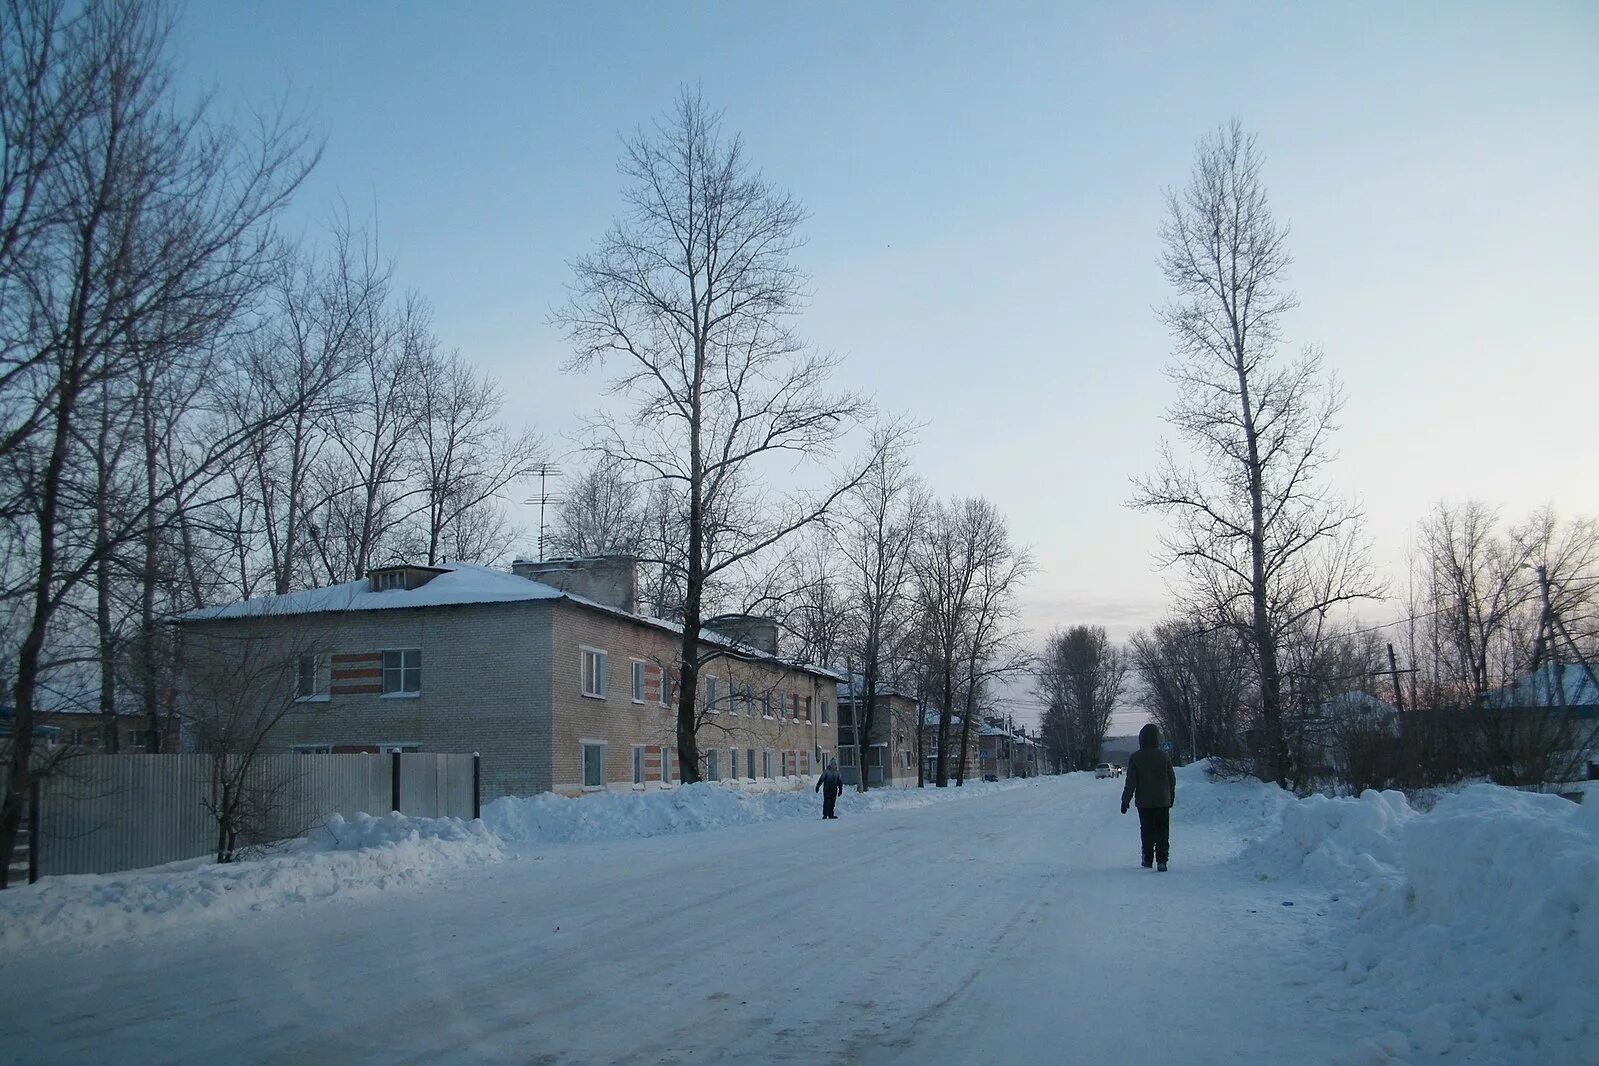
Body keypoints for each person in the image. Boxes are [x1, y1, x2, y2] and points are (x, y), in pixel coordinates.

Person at [1120, 723, 1176, 870]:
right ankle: (1162, 859)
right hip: (1162, 800)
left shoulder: (1136, 758)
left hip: (1144, 803)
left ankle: (1147, 858)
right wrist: (1171, 795)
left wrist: (1125, 800)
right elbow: (1171, 779)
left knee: (1147, 830)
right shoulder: (1164, 756)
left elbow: (1131, 782)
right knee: (1163, 830)